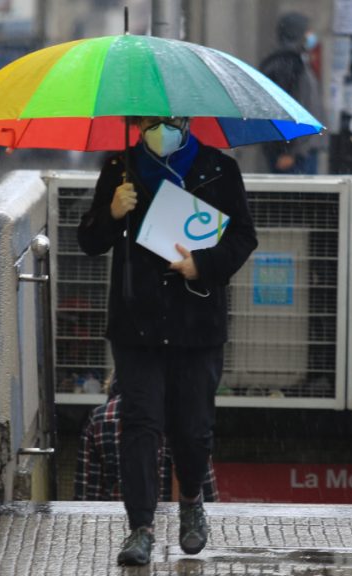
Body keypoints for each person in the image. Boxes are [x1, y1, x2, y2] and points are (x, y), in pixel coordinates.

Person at [77, 116, 257, 566]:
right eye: (152, 119)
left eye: (171, 118)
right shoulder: (120, 168)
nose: (162, 127)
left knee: (193, 426)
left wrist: (204, 264)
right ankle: (140, 526)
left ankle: (192, 501)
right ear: (136, 122)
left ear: (188, 120)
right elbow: (90, 240)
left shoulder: (219, 168)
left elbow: (243, 237)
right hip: (135, 321)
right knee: (140, 422)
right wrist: (112, 212)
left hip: (198, 321)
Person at [74, 376, 220, 503]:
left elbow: (86, 496)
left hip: (115, 527)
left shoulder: (99, 419)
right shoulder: (186, 417)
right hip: (172, 528)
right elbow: (208, 494)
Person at [259, 12, 325, 174]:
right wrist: (287, 151)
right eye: (306, 31)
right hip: (294, 154)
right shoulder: (287, 64)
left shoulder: (297, 60)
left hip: (302, 149)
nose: (310, 35)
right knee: (297, 198)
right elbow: (284, 109)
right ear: (297, 33)